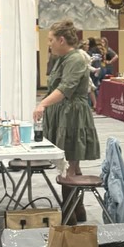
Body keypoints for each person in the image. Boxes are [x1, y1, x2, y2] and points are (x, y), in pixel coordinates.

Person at [33, 19, 100, 181]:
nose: (49, 44)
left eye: (51, 40)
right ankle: (73, 205)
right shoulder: (62, 58)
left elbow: (65, 88)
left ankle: (73, 205)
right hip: (62, 112)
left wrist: (42, 104)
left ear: (61, 40)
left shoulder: (75, 59)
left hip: (72, 115)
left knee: (71, 166)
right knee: (70, 167)